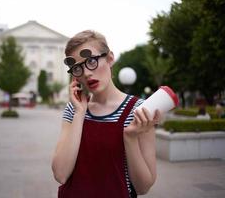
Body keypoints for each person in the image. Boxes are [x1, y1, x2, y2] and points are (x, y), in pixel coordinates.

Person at [51, 30, 162, 198]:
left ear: (110, 58)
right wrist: (80, 113)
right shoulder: (74, 109)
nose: (87, 73)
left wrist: (130, 138)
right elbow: (60, 174)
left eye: (91, 61)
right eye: (78, 67)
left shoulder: (139, 109)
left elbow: (142, 187)